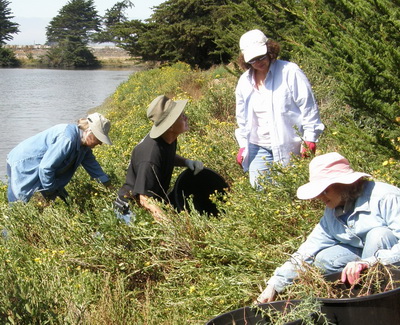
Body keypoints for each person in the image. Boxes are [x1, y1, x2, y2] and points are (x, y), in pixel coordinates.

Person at [257, 152, 400, 303]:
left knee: (379, 235)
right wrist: (275, 284)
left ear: (345, 184)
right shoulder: (332, 211)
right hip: (363, 258)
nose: (321, 196)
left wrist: (368, 262)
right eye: (319, 192)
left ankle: (378, 295)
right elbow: (307, 250)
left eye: (325, 190)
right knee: (324, 258)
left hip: (392, 263)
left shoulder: (386, 197)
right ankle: (355, 293)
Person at [235, 29, 324, 188]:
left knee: (290, 189)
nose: (259, 62)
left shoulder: (290, 72)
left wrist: (310, 138)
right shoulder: (244, 82)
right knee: (259, 190)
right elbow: (242, 118)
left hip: (288, 144)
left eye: (261, 56)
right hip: (257, 146)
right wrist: (243, 144)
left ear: (270, 49)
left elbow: (308, 106)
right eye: (253, 59)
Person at [114, 95, 204, 223]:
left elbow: (167, 156)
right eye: (180, 116)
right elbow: (144, 199)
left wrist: (186, 162)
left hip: (150, 200)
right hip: (129, 209)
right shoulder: (150, 157)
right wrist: (170, 225)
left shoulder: (168, 138)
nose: (186, 118)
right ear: (170, 126)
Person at [7, 112, 113, 203]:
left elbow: (93, 167)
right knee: (19, 203)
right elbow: (45, 168)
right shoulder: (68, 139)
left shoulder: (84, 147)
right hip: (22, 164)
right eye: (99, 139)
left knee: (50, 200)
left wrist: (108, 185)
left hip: (39, 166)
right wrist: (51, 192)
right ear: (89, 131)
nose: (100, 144)